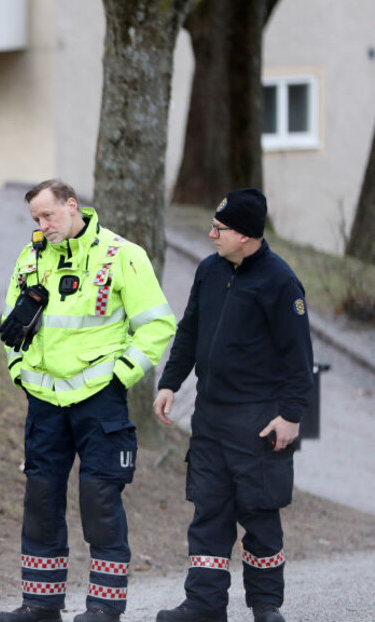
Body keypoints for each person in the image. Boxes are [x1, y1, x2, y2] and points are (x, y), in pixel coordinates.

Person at [0, 179, 176, 622]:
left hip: (99, 401)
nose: (42, 225)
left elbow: (157, 325)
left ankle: (104, 607)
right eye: (36, 219)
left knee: (99, 501)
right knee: (41, 500)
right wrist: (18, 370)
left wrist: (120, 377)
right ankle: (40, 604)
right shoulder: (31, 257)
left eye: (48, 215)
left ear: (72, 206)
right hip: (43, 402)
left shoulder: (121, 255)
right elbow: (10, 324)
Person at [153, 188, 313, 622]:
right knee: (209, 510)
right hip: (211, 417)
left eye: (219, 230)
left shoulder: (281, 282)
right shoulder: (209, 271)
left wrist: (292, 415)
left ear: (245, 236)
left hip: (259, 420)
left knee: (259, 514)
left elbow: (299, 357)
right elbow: (189, 330)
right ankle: (204, 605)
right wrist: (169, 383)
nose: (210, 235)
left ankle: (265, 607)